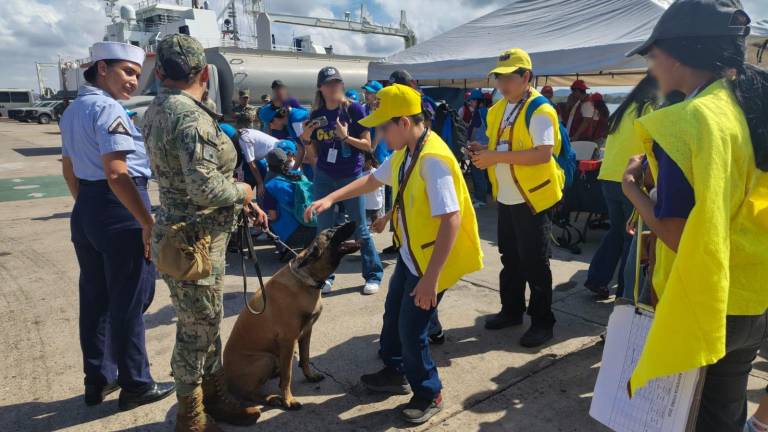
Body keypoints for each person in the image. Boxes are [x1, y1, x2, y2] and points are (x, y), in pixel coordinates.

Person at [621, 1, 768, 430]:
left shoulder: (685, 122)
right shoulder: (746, 107)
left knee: (692, 416)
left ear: (677, 54)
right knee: (726, 406)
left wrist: (632, 189)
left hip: (705, 298)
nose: (651, 67)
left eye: (652, 55)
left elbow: (676, 234)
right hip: (752, 291)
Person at [305, 83, 483, 424]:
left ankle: (430, 392)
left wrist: (431, 281)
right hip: (412, 254)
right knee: (393, 317)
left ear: (403, 122)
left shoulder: (434, 160)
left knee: (412, 329)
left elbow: (451, 221)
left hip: (431, 261)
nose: (380, 136)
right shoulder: (410, 150)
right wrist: (331, 198)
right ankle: (395, 372)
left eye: (384, 127)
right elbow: (374, 180)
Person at [142, 34, 266, 431]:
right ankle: (191, 417)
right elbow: (205, 188)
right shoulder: (191, 116)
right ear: (204, 74)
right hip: (195, 243)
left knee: (206, 322)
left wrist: (240, 203)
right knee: (195, 331)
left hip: (182, 235)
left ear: (159, 71)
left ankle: (214, 396)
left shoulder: (156, 109)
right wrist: (244, 190)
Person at [59, 41, 175, 411]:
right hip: (121, 206)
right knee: (130, 299)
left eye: (137, 76)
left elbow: (68, 166)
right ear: (102, 67)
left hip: (89, 206)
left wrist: (87, 207)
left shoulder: (73, 109)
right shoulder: (108, 109)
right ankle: (136, 384)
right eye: (127, 72)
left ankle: (99, 379)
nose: (133, 82)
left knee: (95, 299)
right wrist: (145, 220)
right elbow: (116, 171)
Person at [470, 48, 565, 348]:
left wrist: (495, 155)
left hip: (533, 198)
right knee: (509, 258)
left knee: (535, 262)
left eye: (509, 77)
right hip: (508, 196)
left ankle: (542, 321)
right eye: (499, 77)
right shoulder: (500, 108)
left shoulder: (540, 109)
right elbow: (501, 143)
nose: (502, 83)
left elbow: (543, 153)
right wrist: (481, 149)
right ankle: (511, 310)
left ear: (526, 77)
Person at [299, 66, 384, 295]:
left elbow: (367, 146)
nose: (333, 87)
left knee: (360, 228)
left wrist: (346, 137)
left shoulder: (354, 109)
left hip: (351, 176)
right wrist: (306, 140)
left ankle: (373, 274)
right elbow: (311, 154)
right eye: (328, 83)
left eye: (337, 82)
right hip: (325, 177)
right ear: (321, 88)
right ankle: (325, 276)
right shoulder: (315, 115)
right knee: (323, 231)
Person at [585, 75, 657, 299]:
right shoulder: (650, 109)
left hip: (608, 177)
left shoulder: (625, 110)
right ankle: (626, 294)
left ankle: (597, 279)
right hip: (630, 180)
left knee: (616, 231)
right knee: (631, 237)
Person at [263, 148, 316, 249]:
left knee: (268, 219)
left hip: (293, 236)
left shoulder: (271, 186)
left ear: (269, 165)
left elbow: (273, 217)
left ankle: (284, 247)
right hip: (314, 226)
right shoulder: (300, 176)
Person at [233, 126, 279, 198]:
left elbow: (251, 164)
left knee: (262, 191)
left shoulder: (244, 140)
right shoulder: (245, 132)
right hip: (265, 160)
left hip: (266, 162)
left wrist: (260, 183)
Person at [465, 89, 490, 207]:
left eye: (472, 101)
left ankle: (481, 199)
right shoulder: (486, 112)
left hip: (478, 147)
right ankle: (480, 197)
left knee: (478, 173)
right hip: (485, 146)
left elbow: (472, 129)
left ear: (478, 101)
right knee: (481, 173)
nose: (470, 103)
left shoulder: (478, 113)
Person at [362, 152, 385, 225]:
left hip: (375, 203)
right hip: (365, 203)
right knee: (364, 222)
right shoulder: (361, 173)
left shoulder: (375, 172)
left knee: (374, 221)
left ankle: (374, 230)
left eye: (363, 161)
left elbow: (381, 186)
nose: (361, 164)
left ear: (369, 162)